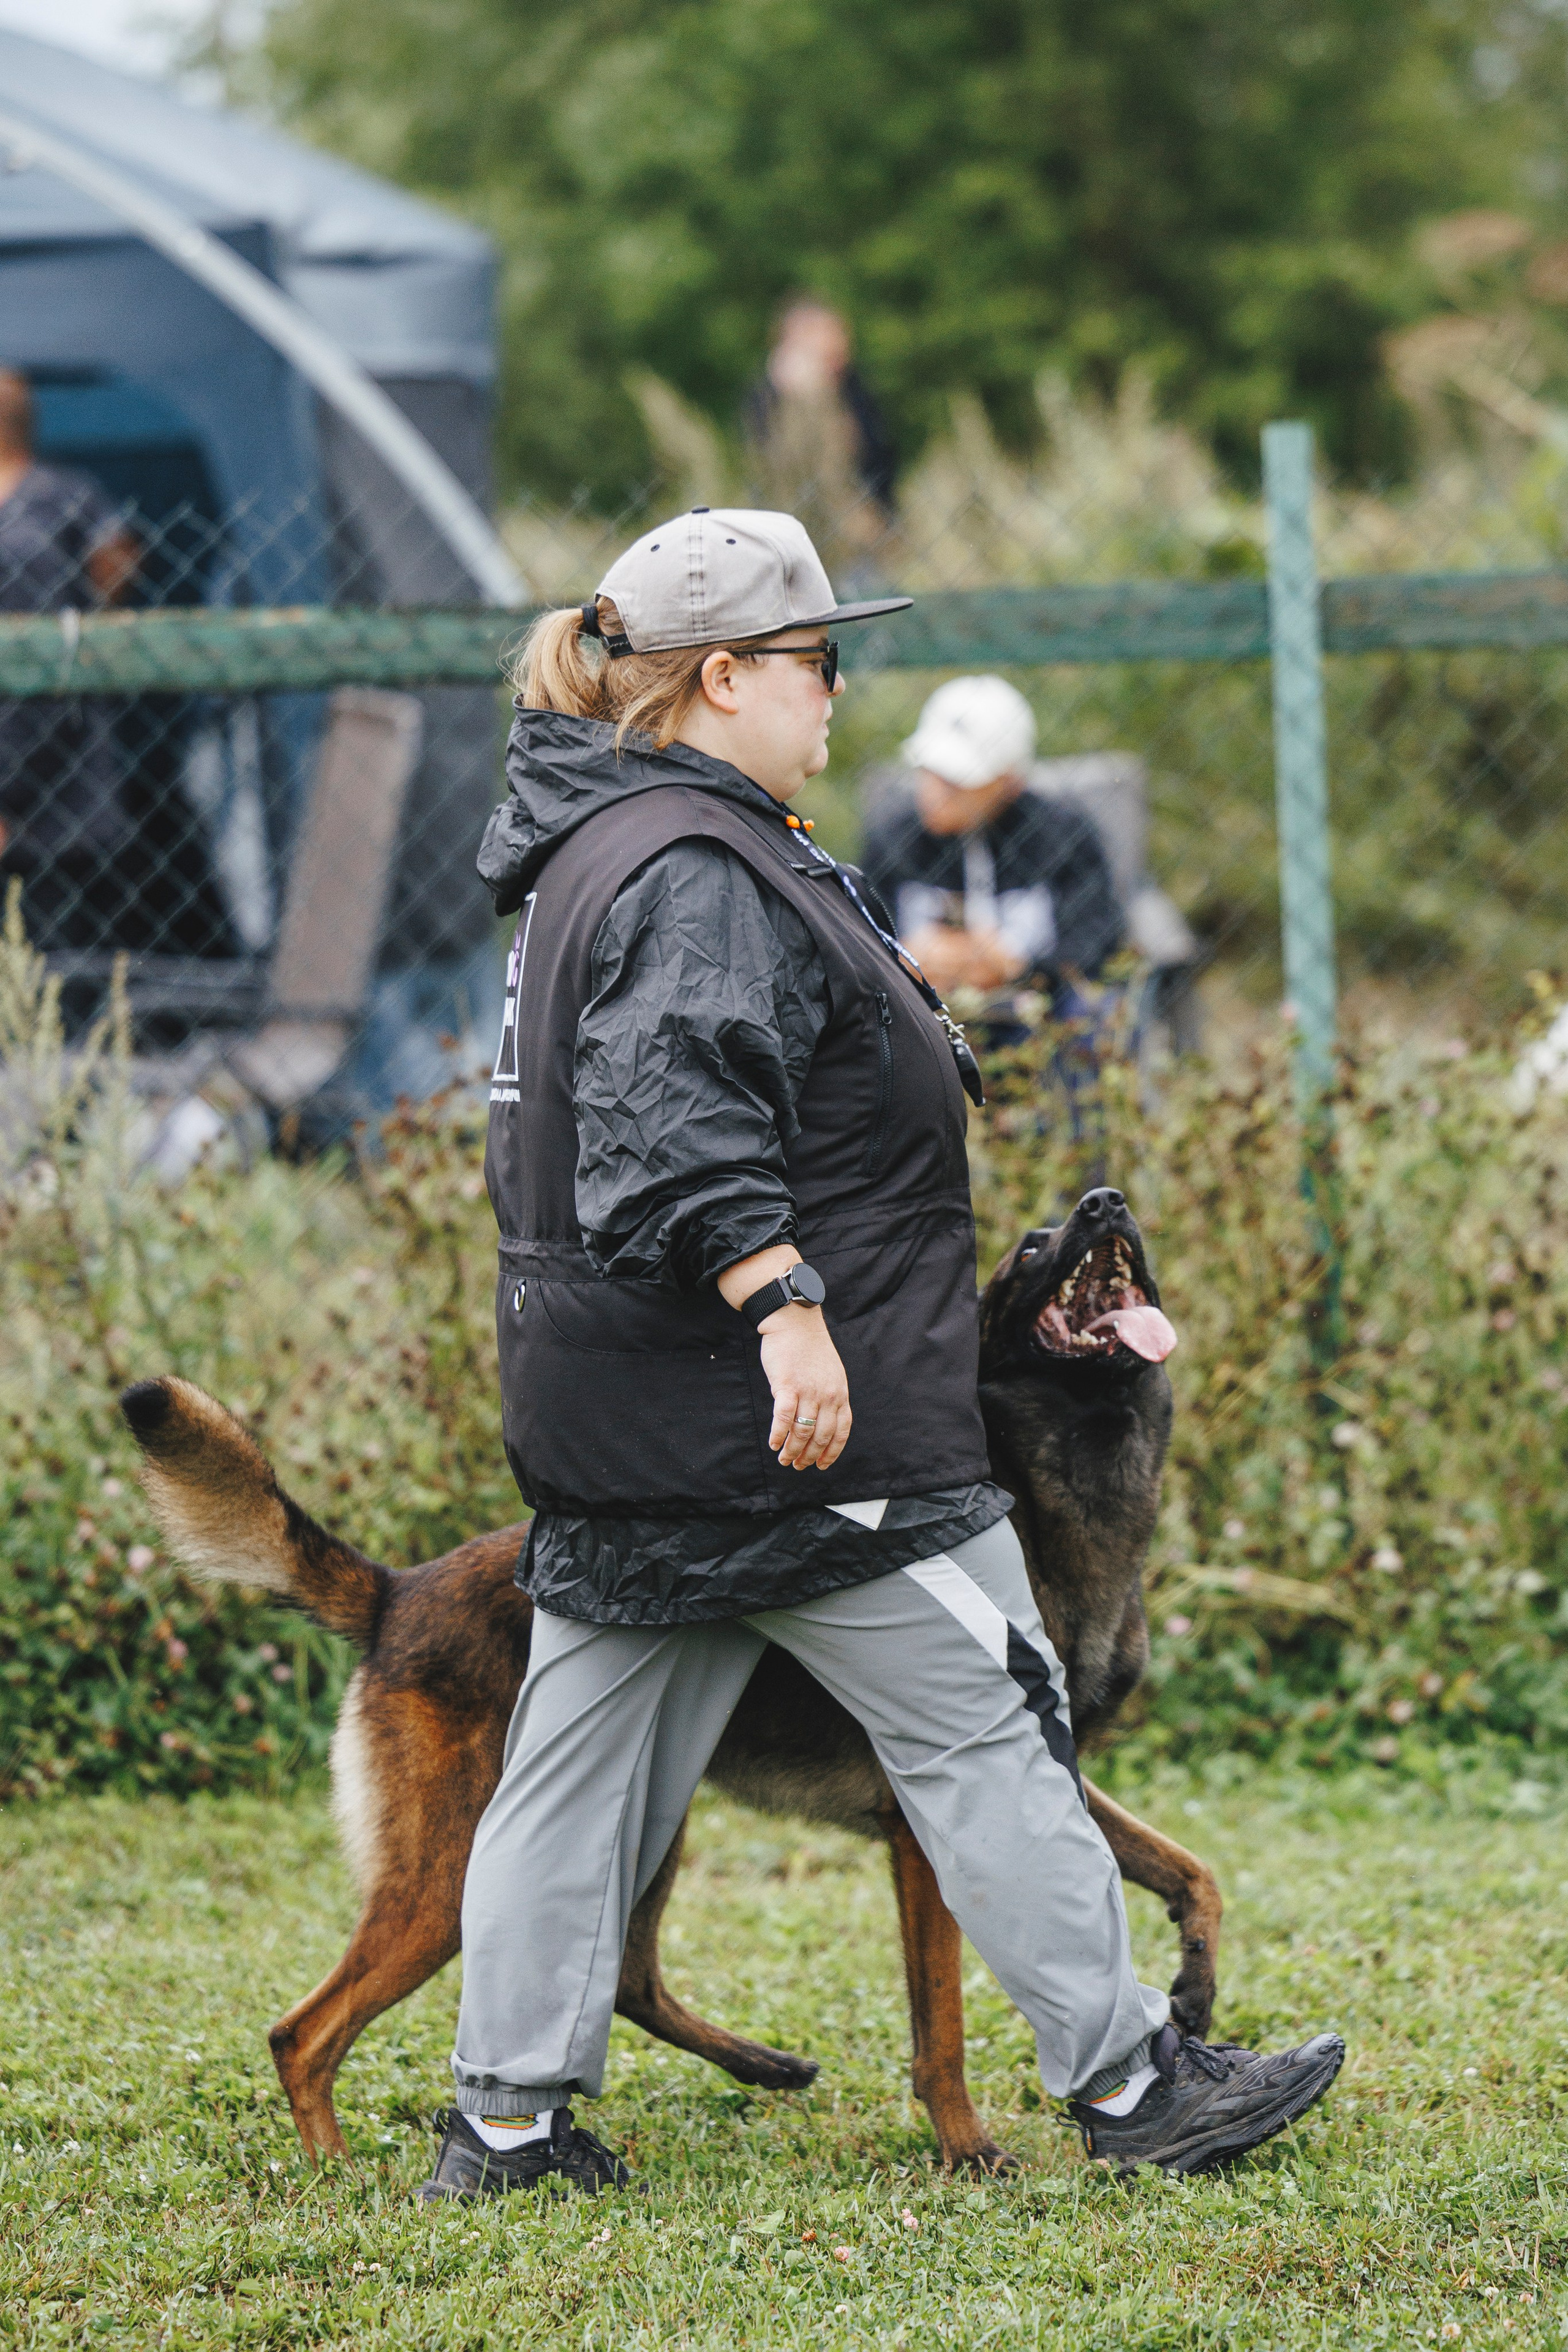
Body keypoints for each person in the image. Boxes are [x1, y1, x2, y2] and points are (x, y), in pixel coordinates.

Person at [421, 505, 1343, 2201]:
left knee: (573, 1764)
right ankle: (1137, 2084)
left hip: (622, 1404)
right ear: (716, 678)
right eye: (816, 658)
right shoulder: (690, 869)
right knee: (997, 1717)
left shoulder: (608, 844)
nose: (841, 689)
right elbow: (667, 1120)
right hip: (774, 1420)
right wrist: (783, 1310)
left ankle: (506, 2123)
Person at [861, 673, 1122, 1009]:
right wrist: (909, 957)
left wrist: (1019, 969)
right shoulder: (894, 837)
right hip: (921, 1013)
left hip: (1032, 1013)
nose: (937, 792)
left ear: (1009, 781)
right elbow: (861, 940)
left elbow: (1097, 942)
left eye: (957, 780)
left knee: (1093, 1008)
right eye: (930, 770)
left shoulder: (1060, 836)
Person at [0, 366, 139, 946]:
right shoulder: (65, 501)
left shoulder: (53, 509)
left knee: (49, 952)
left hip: (50, 785)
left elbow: (119, 561)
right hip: (53, 770)